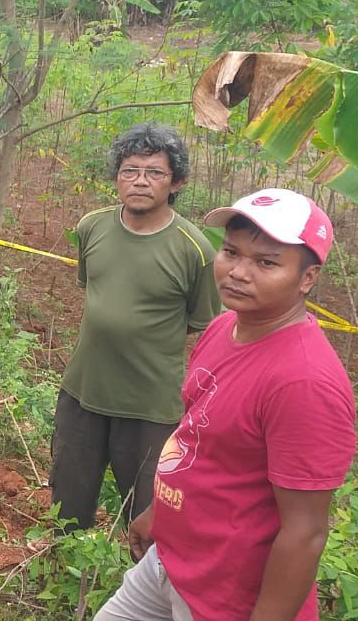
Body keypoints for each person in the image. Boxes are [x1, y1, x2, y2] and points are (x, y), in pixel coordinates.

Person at [97, 188, 356, 621]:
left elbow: (305, 533)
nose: (238, 272)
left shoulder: (304, 382)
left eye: (266, 263)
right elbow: (199, 441)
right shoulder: (223, 327)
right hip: (170, 563)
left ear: (307, 278)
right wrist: (159, 512)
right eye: (231, 252)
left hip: (227, 597)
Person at [51, 124, 219, 531]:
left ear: (176, 182)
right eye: (130, 170)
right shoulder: (92, 227)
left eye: (154, 172)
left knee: (146, 517)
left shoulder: (195, 250)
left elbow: (202, 324)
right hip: (83, 394)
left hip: (150, 408)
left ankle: (139, 575)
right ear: (116, 177)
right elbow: (92, 288)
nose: (140, 181)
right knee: (67, 507)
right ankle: (62, 569)